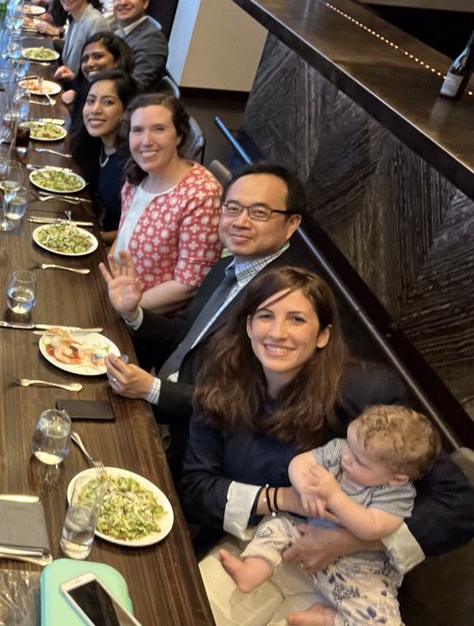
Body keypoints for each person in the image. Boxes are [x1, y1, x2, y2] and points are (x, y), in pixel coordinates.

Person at [180, 266, 474, 626]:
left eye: (296, 320)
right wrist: (285, 499)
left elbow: (458, 507)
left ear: (323, 335)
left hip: (349, 591)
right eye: (265, 315)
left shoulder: (366, 394)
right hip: (264, 550)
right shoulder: (222, 377)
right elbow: (199, 490)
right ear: (247, 323)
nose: (277, 332)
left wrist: (350, 539)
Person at [101, 163, 306, 468]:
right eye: (233, 208)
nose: (241, 222)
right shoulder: (231, 265)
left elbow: (245, 400)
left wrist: (152, 389)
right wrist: (133, 313)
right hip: (155, 400)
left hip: (192, 443)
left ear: (291, 224)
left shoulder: (287, 299)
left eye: (259, 213)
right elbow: (183, 334)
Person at [218, 404, 440, 626]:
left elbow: (371, 528)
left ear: (396, 478)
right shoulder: (341, 451)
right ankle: (253, 570)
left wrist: (334, 495)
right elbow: (300, 463)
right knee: (277, 525)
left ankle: (328, 620)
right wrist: (303, 484)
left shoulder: (396, 494)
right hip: (306, 542)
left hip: (359, 573)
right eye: (349, 445)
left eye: (358, 461)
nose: (346, 458)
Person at [111, 93, 222, 315]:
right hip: (117, 291)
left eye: (158, 129)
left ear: (179, 136)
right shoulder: (137, 175)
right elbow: (124, 234)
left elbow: (187, 286)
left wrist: (122, 308)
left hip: (148, 317)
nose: (146, 141)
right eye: (138, 130)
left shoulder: (201, 194)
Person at [68, 70, 134, 237]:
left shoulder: (133, 161)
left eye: (108, 102)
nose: (95, 109)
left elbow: (138, 231)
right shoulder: (95, 144)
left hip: (117, 248)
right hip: (98, 227)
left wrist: (95, 238)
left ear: (127, 109)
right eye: (90, 101)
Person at [40, 0, 108, 80]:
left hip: (82, 90)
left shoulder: (94, 22)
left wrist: (73, 78)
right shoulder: (74, 16)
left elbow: (99, 74)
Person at [113, 0, 169, 93]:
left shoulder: (152, 40)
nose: (123, 2)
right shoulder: (121, 32)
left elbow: (136, 87)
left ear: (145, 2)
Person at [60, 30, 137, 111]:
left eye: (98, 56)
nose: (90, 63)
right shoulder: (82, 90)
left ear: (117, 61)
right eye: (85, 59)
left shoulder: (129, 98)